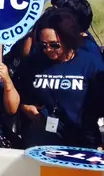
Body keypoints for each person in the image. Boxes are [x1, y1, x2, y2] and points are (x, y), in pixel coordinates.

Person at [17, 9, 104, 148]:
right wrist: (25, 107)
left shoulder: (91, 64)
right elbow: (19, 91)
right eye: (43, 45)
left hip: (82, 141)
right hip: (43, 142)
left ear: (68, 38)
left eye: (54, 45)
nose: (48, 50)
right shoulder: (33, 63)